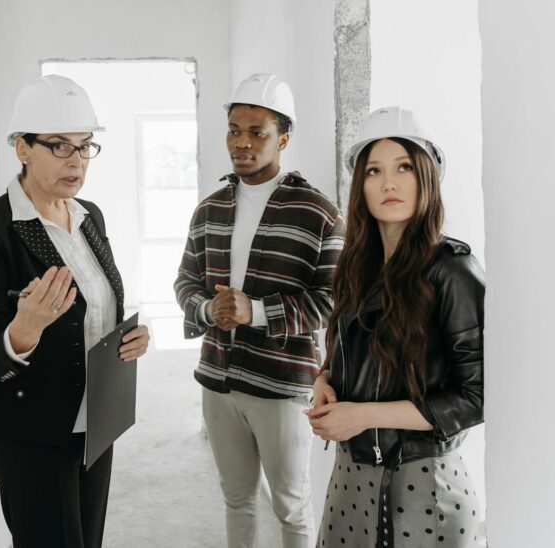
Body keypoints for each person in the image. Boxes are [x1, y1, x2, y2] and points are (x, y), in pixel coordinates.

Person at [0, 74, 150, 548]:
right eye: (60, 146)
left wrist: (129, 338)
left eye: (85, 147)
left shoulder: (90, 216)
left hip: (96, 423)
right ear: (22, 148)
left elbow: (98, 308)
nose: (77, 161)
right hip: (33, 433)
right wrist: (25, 329)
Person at [175, 73, 345, 548]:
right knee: (236, 500)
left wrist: (256, 312)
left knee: (291, 506)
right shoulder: (209, 209)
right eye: (234, 130)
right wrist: (209, 310)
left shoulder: (318, 213)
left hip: (282, 385)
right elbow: (185, 281)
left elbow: (332, 301)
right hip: (218, 380)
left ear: (283, 138)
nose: (242, 143)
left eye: (257, 132)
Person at [307, 106, 485, 548]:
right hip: (350, 481)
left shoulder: (453, 270)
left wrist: (363, 416)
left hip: (425, 485)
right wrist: (325, 380)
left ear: (427, 176)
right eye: (374, 170)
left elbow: (476, 397)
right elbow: (349, 351)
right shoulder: (355, 267)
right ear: (360, 186)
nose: (389, 182)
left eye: (404, 167)